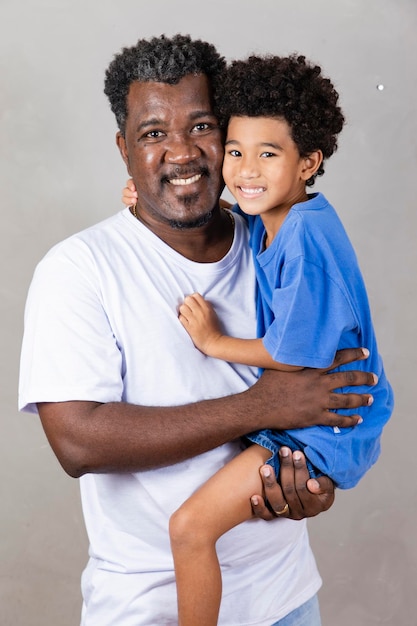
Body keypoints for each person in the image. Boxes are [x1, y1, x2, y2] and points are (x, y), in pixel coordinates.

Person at [19, 34, 378, 626]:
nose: (182, 152)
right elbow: (78, 441)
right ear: (124, 149)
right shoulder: (79, 268)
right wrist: (262, 405)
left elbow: (330, 394)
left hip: (284, 601)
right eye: (154, 134)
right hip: (147, 610)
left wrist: (311, 480)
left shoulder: (274, 246)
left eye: (203, 126)